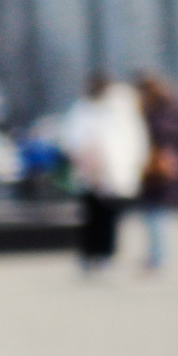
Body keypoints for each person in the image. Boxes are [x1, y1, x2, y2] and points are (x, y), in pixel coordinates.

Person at [60, 72, 147, 273]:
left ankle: (106, 255)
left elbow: (132, 140)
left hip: (112, 172)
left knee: (109, 216)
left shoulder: (120, 109)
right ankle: (89, 254)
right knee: (89, 215)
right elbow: (71, 138)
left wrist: (131, 166)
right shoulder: (82, 109)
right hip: (88, 173)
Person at [135, 73, 178, 273]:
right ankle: (158, 255)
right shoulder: (170, 111)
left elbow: (156, 138)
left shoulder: (154, 115)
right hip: (163, 166)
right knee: (157, 211)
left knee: (155, 212)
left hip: (155, 167)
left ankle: (159, 256)